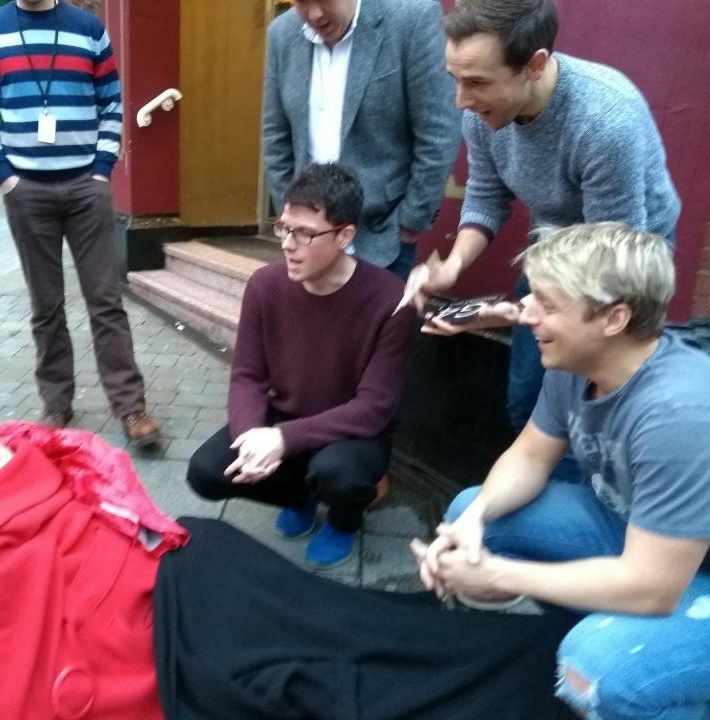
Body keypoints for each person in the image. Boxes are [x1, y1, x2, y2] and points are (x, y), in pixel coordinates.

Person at [0, 394, 581, 720]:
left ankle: (523, 651)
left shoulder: (4, 467)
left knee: (344, 619)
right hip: (161, 625)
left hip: (183, 560)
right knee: (314, 662)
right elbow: (25, 626)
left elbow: (73, 459)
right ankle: (527, 667)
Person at [412, 223, 710, 719]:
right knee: (470, 510)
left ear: (614, 318)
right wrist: (475, 519)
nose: (525, 313)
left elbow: (652, 585)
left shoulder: (680, 413)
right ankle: (601, 625)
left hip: (681, 574)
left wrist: (498, 574)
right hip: (638, 536)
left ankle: (656, 679)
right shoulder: (578, 363)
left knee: (592, 667)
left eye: (547, 304)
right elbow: (530, 456)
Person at [407, 0, 680, 463]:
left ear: (534, 65)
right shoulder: (482, 113)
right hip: (554, 249)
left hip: (626, 261)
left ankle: (592, 509)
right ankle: (534, 491)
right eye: (455, 80)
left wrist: (507, 313)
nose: (462, 102)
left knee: (585, 401)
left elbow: (608, 274)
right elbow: (486, 196)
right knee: (525, 398)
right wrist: (452, 267)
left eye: (476, 83)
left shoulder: (605, 121)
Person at [186, 164, 415, 568]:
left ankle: (344, 521)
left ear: (345, 236)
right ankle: (299, 497)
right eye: (284, 228)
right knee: (206, 471)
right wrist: (250, 439)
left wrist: (284, 439)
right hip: (286, 416)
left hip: (352, 433)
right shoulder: (265, 286)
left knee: (338, 475)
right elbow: (248, 376)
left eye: (305, 233)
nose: (288, 245)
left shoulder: (391, 299)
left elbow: (375, 407)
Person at [0, 0, 159, 446]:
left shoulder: (88, 28)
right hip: (26, 189)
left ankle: (131, 407)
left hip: (85, 187)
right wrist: (4, 175)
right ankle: (56, 402)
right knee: (45, 305)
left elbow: (111, 101)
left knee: (106, 300)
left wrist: (101, 168)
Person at [262, 0, 461, 279]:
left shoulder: (412, 19)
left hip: (383, 238)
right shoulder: (281, 34)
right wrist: (294, 222)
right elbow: (275, 136)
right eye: (302, 2)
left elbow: (439, 131)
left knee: (380, 323)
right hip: (308, 242)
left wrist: (409, 222)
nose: (315, 14)